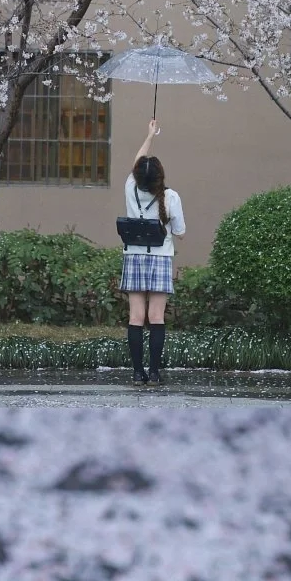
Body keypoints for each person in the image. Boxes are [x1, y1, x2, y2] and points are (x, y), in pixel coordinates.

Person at [120, 120, 186, 385]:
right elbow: (180, 231)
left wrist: (149, 135)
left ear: (137, 177)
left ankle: (138, 373)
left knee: (136, 317)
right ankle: (155, 373)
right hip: (160, 258)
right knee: (156, 317)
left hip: (133, 256)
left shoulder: (130, 188)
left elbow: (137, 162)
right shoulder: (171, 197)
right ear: (161, 177)